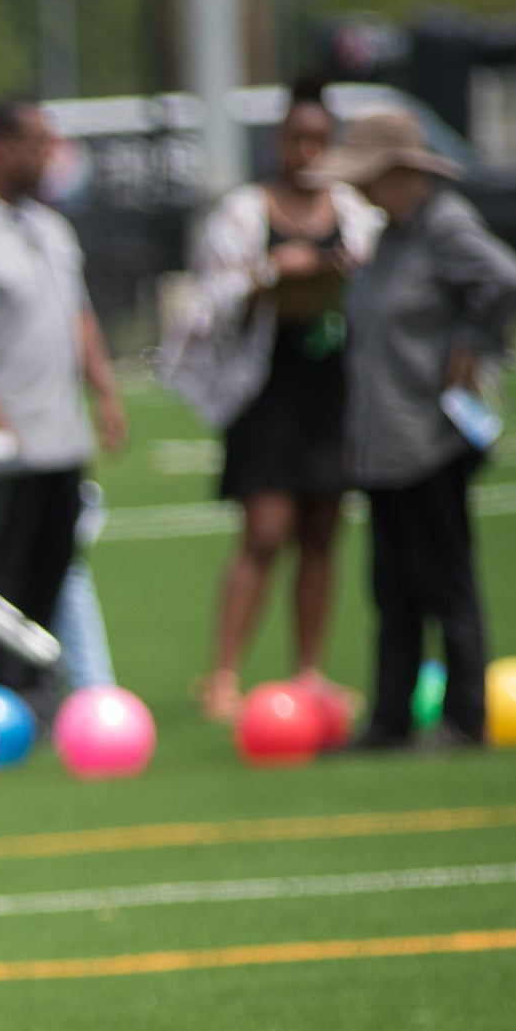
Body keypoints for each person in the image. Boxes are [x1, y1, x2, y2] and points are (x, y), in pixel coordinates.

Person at [161, 80, 381, 723]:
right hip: (264, 392)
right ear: (279, 143)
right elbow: (204, 304)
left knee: (322, 531)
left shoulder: (355, 211)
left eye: (318, 140)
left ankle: (309, 672)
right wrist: (270, 272)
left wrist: (341, 272)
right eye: (295, 139)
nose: (306, 152)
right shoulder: (243, 214)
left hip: (333, 388)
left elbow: (377, 282)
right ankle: (223, 675)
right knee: (264, 531)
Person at [320, 109, 516, 751]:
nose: (354, 189)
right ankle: (391, 719)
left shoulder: (444, 225)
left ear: (395, 173)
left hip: (429, 439)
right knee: (392, 587)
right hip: (385, 441)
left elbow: (507, 279)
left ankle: (468, 718)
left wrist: (471, 344)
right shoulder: (393, 234)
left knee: (446, 580)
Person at [0, 99, 129, 645]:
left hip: (62, 440)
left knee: (53, 575)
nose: (50, 157)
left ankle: (38, 693)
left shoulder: (51, 227)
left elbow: (78, 313)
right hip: (2, 454)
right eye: (38, 144)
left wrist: (104, 391)